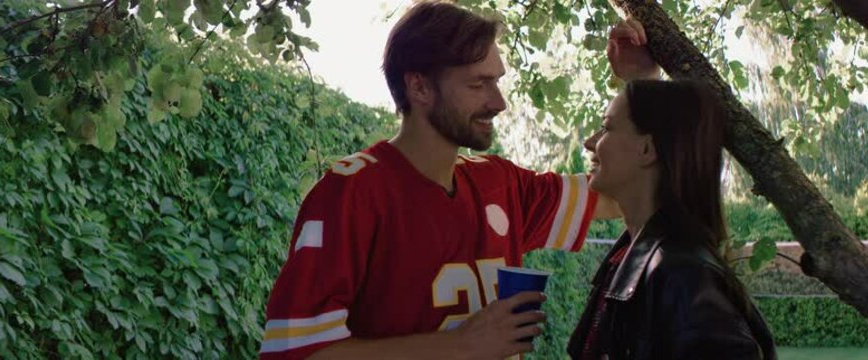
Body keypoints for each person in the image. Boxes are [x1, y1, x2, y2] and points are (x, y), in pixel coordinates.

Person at [259, 2, 622, 359]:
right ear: (419, 88)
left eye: (496, 82)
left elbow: (623, 195)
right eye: (479, 84)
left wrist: (639, 82)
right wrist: (460, 346)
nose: (499, 103)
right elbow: (295, 352)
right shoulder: (351, 191)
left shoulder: (500, 183)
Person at [566, 21, 776, 359]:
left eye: (605, 128)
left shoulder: (684, 277)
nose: (591, 143)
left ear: (648, 151)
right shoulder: (633, 258)